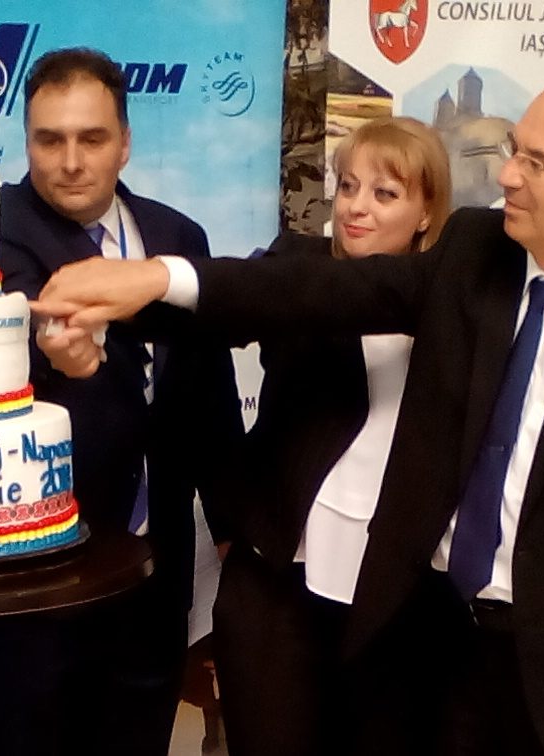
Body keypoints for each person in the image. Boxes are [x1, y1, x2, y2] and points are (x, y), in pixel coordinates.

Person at [34, 73, 544, 756]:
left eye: (538, 163)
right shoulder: (478, 251)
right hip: (441, 647)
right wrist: (156, 277)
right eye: (514, 151)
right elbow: (308, 289)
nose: (508, 176)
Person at [0, 47, 244, 756]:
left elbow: (209, 396)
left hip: (153, 575)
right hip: (33, 580)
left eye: (91, 139)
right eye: (49, 140)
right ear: (25, 142)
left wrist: (234, 528)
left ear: (125, 143)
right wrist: (52, 357)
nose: (70, 162)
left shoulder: (177, 238)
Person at [203, 116, 453, 756]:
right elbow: (215, 321)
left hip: (399, 594)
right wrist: (232, 524)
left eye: (384, 193)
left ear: (427, 213)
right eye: (348, 187)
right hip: (278, 584)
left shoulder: (455, 303)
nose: (356, 207)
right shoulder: (296, 267)